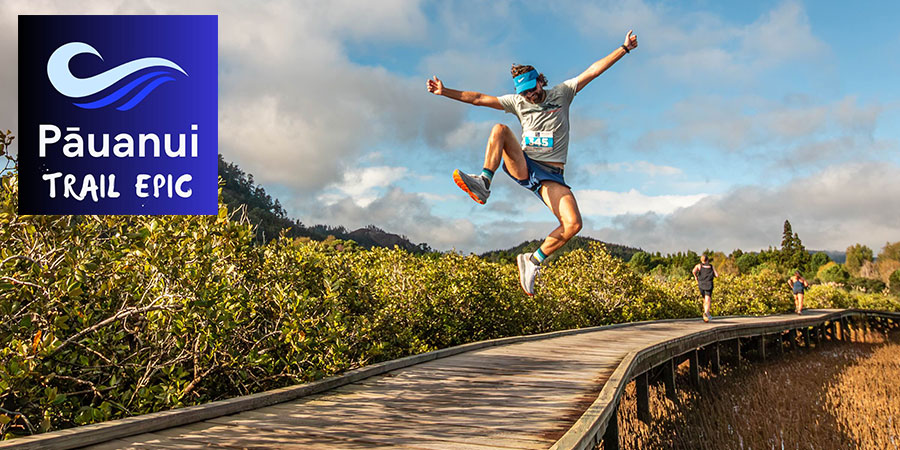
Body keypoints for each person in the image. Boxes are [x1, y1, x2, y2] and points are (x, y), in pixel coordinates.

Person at [426, 31, 639, 296]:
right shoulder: (517, 102)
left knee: (573, 224)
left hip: (551, 175)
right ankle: (484, 181)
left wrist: (624, 49)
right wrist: (444, 91)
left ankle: (532, 260)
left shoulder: (562, 93)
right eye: (524, 93)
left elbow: (593, 71)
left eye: (532, 90)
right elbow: (479, 99)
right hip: (525, 164)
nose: (530, 96)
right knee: (500, 129)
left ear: (540, 81)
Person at [692, 255, 718, 322]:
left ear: (701, 260)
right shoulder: (711, 266)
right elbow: (717, 275)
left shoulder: (699, 266)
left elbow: (693, 271)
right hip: (708, 284)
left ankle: (706, 313)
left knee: (704, 299)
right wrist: (713, 275)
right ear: (707, 260)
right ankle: (706, 313)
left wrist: (696, 277)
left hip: (701, 284)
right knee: (708, 300)